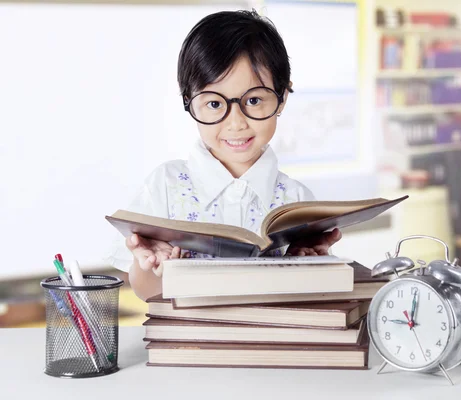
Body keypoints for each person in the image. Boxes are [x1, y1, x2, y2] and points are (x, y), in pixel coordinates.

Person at [105, 9, 342, 301]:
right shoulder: (164, 186)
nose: (236, 123)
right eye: (215, 104)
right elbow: (146, 291)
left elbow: (312, 299)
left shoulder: (297, 202)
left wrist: (308, 265)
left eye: (253, 100)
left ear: (282, 98)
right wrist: (151, 266)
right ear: (189, 102)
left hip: (269, 343)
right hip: (190, 344)